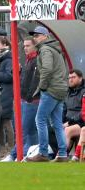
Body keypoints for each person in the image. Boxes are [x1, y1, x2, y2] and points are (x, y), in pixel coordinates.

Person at [26, 26, 69, 162]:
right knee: (56, 122)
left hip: (51, 89)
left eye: (38, 35)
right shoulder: (55, 48)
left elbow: (47, 70)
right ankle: (62, 154)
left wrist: (42, 87)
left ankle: (43, 153)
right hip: (61, 89)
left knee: (40, 119)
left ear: (45, 36)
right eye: (34, 35)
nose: (35, 37)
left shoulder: (45, 49)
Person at [3, 37, 40, 161]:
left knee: (22, 129)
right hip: (27, 100)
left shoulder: (36, 61)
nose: (25, 48)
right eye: (24, 46)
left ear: (35, 46)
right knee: (31, 131)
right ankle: (31, 154)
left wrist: (28, 97)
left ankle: (13, 155)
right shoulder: (29, 61)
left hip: (31, 101)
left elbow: (35, 81)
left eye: (28, 45)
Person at [0, 36, 14, 159]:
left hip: (6, 93)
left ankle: (10, 149)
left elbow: (9, 77)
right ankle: (0, 150)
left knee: (6, 122)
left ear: (5, 45)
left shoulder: (8, 59)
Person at [63, 69, 84, 160]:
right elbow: (64, 109)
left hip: (81, 122)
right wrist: (61, 122)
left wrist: (69, 122)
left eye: (73, 77)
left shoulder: (83, 92)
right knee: (52, 129)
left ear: (80, 78)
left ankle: (62, 155)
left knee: (68, 130)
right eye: (69, 78)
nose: (71, 80)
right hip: (69, 122)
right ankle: (53, 153)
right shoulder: (67, 93)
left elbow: (82, 113)